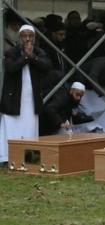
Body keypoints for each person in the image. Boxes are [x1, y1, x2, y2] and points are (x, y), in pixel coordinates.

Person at [0, 25, 51, 164]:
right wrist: (26, 57)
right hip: (13, 98)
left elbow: (47, 66)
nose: (27, 39)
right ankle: (7, 157)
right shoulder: (11, 52)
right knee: (11, 126)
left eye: (30, 36)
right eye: (24, 35)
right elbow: (11, 68)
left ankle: (27, 156)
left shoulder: (39, 52)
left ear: (34, 37)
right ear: (19, 37)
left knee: (29, 126)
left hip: (31, 99)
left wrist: (32, 56)